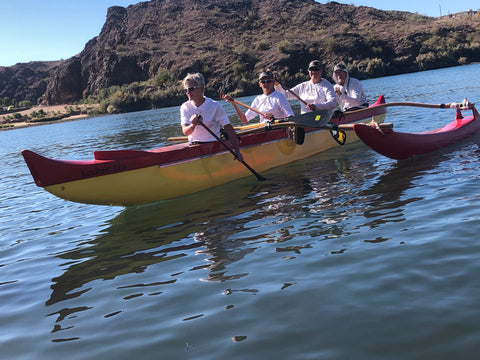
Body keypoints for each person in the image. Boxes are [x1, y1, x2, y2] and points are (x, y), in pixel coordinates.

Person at [180, 72, 243, 161]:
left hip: (213, 146)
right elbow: (186, 132)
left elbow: (229, 129)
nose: (188, 92)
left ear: (201, 88)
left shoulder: (215, 105)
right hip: (194, 147)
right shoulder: (185, 107)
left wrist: (237, 151)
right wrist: (193, 125)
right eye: (185, 90)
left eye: (191, 89)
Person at [225, 71, 294, 124]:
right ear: (260, 84)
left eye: (268, 81)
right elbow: (244, 119)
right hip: (265, 131)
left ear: (273, 82)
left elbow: (291, 117)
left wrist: (274, 119)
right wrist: (234, 103)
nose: (266, 84)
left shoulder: (279, 97)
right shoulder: (258, 99)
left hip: (278, 130)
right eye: (263, 82)